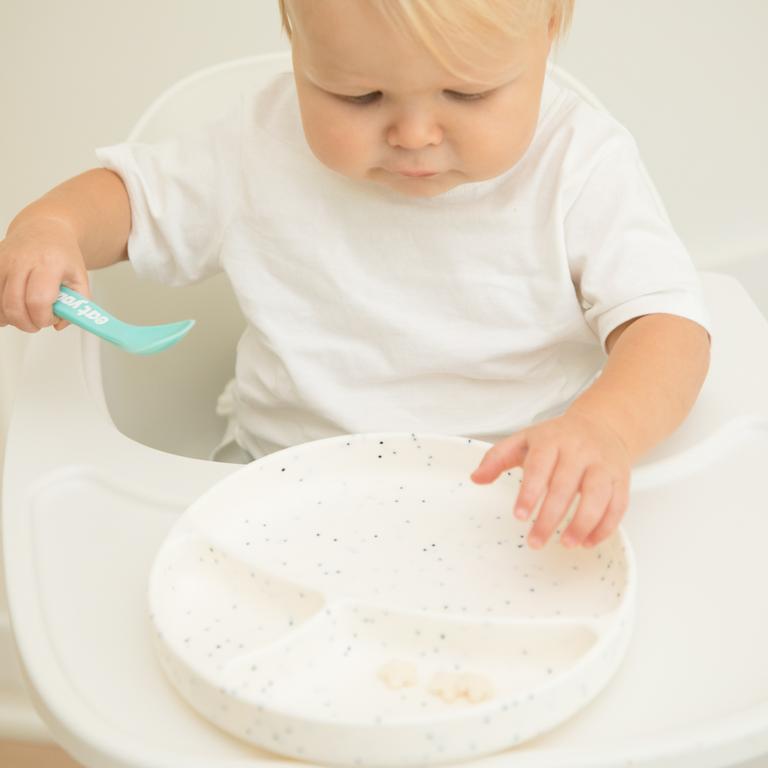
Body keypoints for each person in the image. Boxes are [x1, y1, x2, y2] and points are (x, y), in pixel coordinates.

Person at [0, 0, 711, 551]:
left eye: (466, 94)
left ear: (548, 33)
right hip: (277, 486)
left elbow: (667, 325)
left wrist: (605, 429)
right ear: (296, 43)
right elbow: (134, 199)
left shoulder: (579, 164)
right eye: (359, 97)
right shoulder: (257, 144)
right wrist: (53, 226)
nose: (414, 135)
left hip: (511, 505)